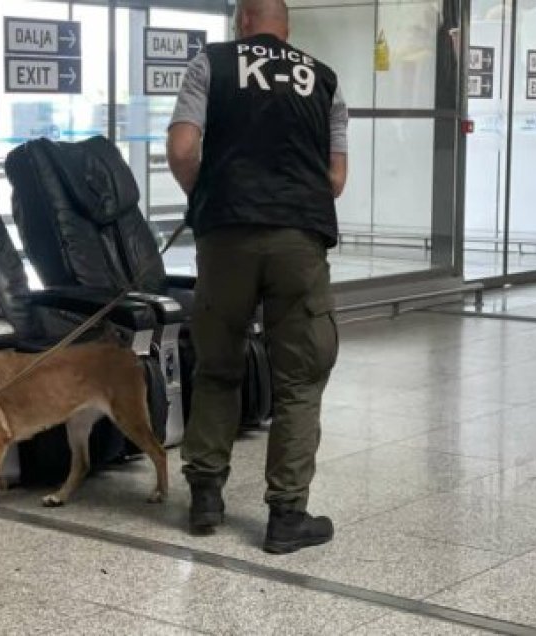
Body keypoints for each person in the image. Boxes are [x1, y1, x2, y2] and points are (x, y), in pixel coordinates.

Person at [167, 0, 348, 554]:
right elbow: (335, 179)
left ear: (243, 22)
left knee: (218, 364)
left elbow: (181, 147)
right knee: (298, 376)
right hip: (299, 238)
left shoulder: (212, 63)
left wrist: (206, 193)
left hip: (226, 236)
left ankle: (205, 498)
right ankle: (286, 518)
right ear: (286, 30)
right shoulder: (323, 79)